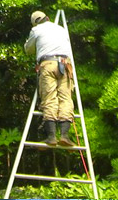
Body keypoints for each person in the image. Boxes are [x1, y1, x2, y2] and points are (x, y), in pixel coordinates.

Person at [24, 10, 76, 147]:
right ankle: (65, 135)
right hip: (65, 65)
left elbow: (28, 49)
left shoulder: (36, 30)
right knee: (66, 99)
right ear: (47, 18)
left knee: (49, 98)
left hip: (47, 64)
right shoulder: (61, 29)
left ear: (35, 23)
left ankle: (51, 137)